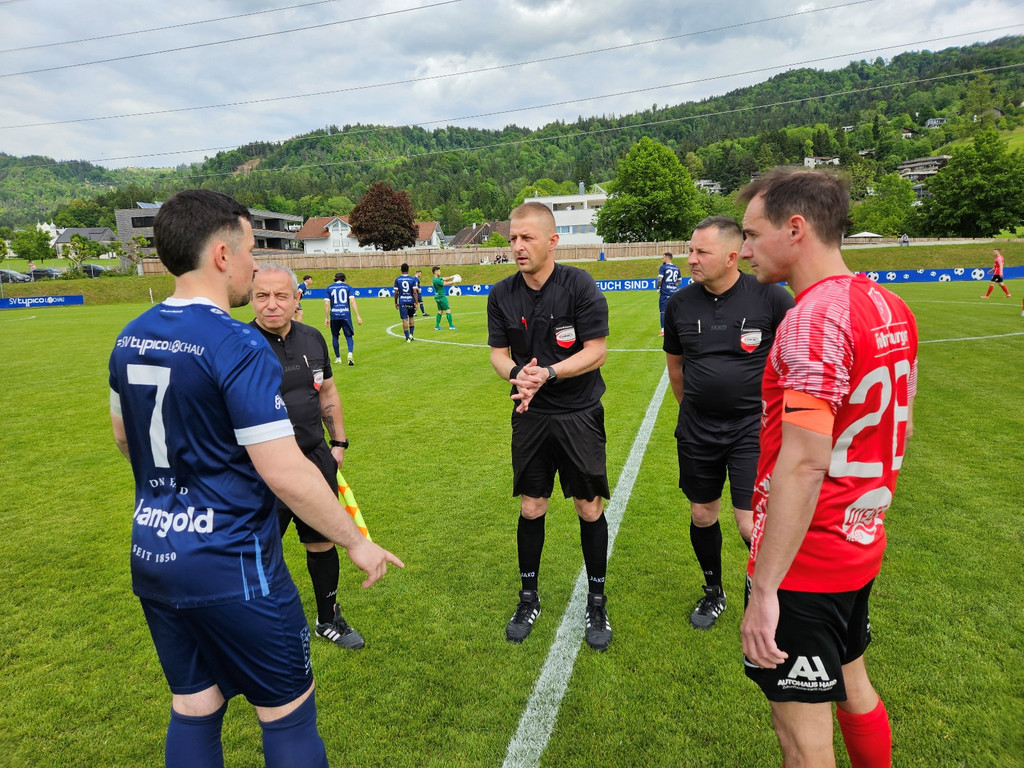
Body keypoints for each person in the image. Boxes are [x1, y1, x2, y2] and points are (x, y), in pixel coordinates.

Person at [108, 189, 403, 767]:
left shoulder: (129, 336)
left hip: (154, 552)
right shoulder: (238, 343)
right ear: (222, 254)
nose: (252, 264)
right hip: (232, 563)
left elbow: (125, 440)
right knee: (286, 713)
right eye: (249, 251)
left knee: (195, 705)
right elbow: (286, 472)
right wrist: (356, 541)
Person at [737, 168, 917, 768]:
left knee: (802, 739)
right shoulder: (889, 304)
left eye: (751, 234)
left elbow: (805, 462)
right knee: (854, 685)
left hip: (808, 557)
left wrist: (766, 588)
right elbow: (899, 425)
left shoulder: (813, 317)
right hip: (859, 541)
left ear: (795, 229)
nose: (744, 250)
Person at [487, 201, 613, 651]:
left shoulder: (578, 285)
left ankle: (596, 602)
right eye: (512, 239)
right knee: (531, 507)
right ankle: (528, 598)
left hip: (579, 413)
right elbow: (498, 354)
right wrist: (517, 375)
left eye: (527, 238)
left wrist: (549, 374)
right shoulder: (502, 294)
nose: (517, 246)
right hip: (531, 416)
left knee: (588, 507)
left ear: (552, 241)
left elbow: (596, 351)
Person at [662, 216, 794, 630]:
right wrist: (694, 408)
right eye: (690, 250)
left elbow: (795, 363)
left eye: (701, 252)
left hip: (751, 428)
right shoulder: (680, 304)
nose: (691, 259)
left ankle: (768, 594)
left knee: (749, 522)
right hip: (697, 428)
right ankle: (713, 591)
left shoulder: (771, 297)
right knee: (702, 513)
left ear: (732, 257)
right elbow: (676, 368)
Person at [250, 265, 365, 650]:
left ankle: (328, 619)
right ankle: (256, 628)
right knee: (257, 550)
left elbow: (327, 392)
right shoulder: (239, 344)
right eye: (262, 296)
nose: (271, 304)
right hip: (263, 468)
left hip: (315, 460)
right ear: (251, 299)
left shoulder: (313, 338)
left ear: (297, 298)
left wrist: (338, 443)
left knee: (322, 541)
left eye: (280, 296)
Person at [324, 271, 363, 365]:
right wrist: (358, 315)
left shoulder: (329, 288)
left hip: (334, 315)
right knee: (349, 336)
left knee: (335, 336)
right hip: (345, 315)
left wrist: (326, 317)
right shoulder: (348, 287)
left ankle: (338, 358)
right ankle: (350, 353)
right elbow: (352, 301)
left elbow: (326, 303)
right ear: (344, 279)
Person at [657, 251, 682, 336]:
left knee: (663, 311)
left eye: (663, 257)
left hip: (665, 293)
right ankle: (676, 329)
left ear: (666, 257)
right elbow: (680, 281)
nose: (662, 259)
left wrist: (658, 288)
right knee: (674, 312)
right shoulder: (676, 268)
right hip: (674, 292)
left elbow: (659, 280)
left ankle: (663, 330)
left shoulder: (663, 267)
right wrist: (674, 286)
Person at [394, 263, 419, 342]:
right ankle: (411, 335)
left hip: (402, 301)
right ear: (408, 270)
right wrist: (416, 303)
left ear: (401, 270)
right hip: (410, 301)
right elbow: (414, 292)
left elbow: (396, 293)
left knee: (404, 320)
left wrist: (396, 302)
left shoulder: (397, 280)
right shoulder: (412, 279)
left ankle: (407, 337)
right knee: (411, 317)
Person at [431, 266, 459, 330]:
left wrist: (452, 277)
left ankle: (437, 326)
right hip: (441, 296)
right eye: (439, 271)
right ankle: (451, 326)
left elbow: (445, 278)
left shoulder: (435, 278)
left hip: (437, 296)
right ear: (436, 272)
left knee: (440, 311)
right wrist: (454, 281)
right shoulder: (437, 280)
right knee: (448, 309)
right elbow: (445, 283)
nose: (440, 272)